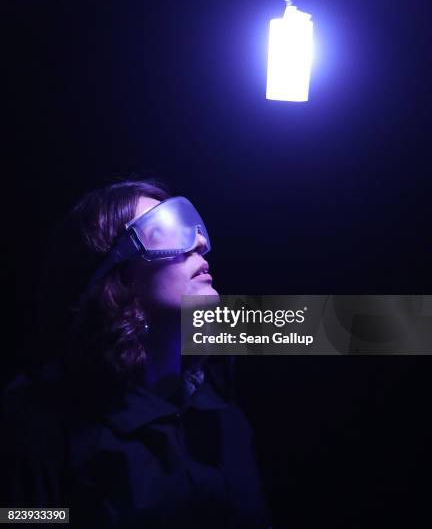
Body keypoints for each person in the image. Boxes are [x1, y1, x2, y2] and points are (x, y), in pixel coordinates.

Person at [1, 179, 271, 528]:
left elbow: (351, 326)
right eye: (168, 232)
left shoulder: (223, 409)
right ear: (120, 273)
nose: (201, 244)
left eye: (195, 230)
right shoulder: (41, 427)